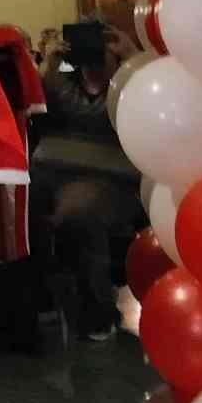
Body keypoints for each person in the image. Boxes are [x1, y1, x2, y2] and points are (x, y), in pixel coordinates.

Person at [31, 18, 144, 341]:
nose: (92, 54)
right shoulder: (60, 81)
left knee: (78, 212)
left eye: (100, 46)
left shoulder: (128, 83)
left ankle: (97, 311)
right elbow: (36, 102)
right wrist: (51, 61)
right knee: (20, 204)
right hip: (52, 169)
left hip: (109, 178)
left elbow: (152, 98)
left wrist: (133, 57)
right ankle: (33, 304)